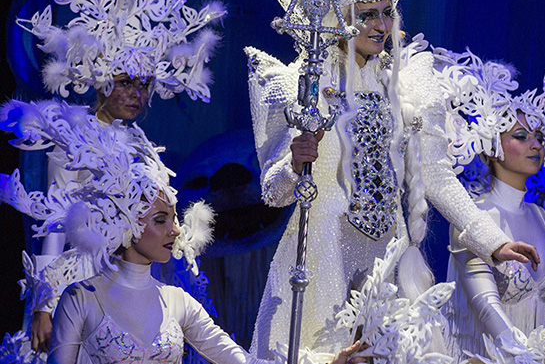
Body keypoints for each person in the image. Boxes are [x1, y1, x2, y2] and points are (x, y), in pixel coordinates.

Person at [233, 0, 540, 358]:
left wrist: (493, 242)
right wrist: (294, 164)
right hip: (323, 256)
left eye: (387, 12)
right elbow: (274, 194)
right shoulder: (303, 86)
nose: (381, 25)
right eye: (367, 15)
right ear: (340, 20)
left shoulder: (405, 86)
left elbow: (436, 177)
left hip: (389, 259)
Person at [0, 100, 364, 364]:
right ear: (126, 225)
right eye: (161, 220)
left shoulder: (178, 302)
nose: (176, 231)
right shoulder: (81, 298)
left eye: (174, 218)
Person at [15, 0, 225, 353]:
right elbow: (56, 219)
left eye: (144, 85)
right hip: (88, 277)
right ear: (103, 82)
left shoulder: (142, 144)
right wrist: (45, 302)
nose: (136, 94)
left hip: (138, 274)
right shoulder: (75, 137)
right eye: (127, 82)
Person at [438, 51, 545, 362]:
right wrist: (521, 354)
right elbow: (486, 307)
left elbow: (543, 309)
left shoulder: (539, 215)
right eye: (521, 136)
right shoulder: (473, 217)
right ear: (492, 147)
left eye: (539, 137)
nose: (536, 145)